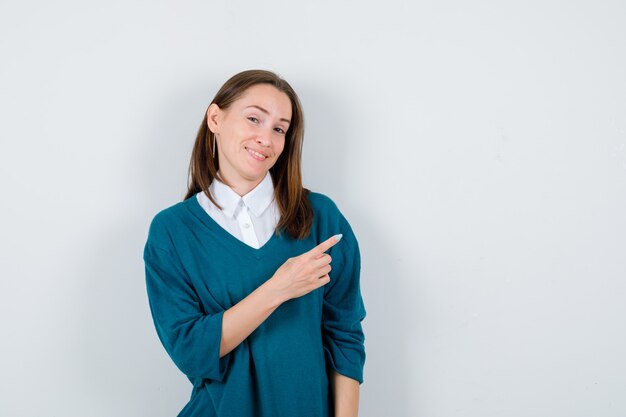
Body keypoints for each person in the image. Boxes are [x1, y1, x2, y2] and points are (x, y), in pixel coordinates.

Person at [143, 69, 366, 417]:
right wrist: (280, 288)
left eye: (279, 128)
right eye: (254, 119)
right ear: (215, 118)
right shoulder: (172, 231)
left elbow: (345, 335)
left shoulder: (320, 217)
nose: (266, 138)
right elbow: (190, 349)